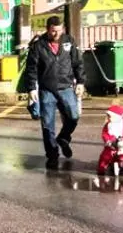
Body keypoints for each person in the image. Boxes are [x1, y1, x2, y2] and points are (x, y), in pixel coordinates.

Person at [24, 16, 86, 169]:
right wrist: (32, 88)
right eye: (53, 31)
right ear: (47, 29)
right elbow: (31, 69)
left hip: (66, 87)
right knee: (47, 125)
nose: (56, 34)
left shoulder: (69, 41)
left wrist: (81, 82)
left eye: (59, 30)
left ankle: (64, 137)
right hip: (47, 90)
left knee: (73, 116)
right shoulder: (38, 46)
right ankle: (52, 155)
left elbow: (78, 63)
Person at [97, 104, 123, 174]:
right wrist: (108, 141)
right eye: (108, 116)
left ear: (117, 117)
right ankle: (102, 167)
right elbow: (105, 134)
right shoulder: (108, 126)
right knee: (105, 154)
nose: (108, 118)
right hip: (113, 144)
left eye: (110, 116)